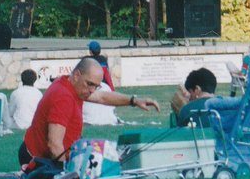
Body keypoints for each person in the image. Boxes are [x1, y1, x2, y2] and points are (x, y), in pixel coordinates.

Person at [18, 57, 159, 170]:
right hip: (37, 158)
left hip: (51, 152)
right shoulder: (63, 97)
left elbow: (102, 97)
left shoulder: (71, 84)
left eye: (95, 86)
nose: (92, 90)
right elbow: (54, 145)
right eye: (90, 84)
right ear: (77, 75)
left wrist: (134, 100)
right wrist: (65, 174)